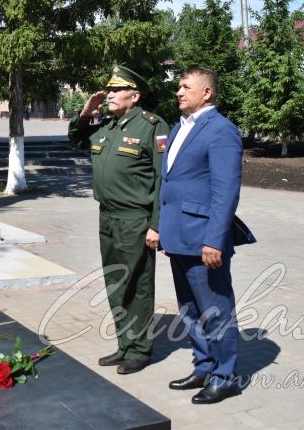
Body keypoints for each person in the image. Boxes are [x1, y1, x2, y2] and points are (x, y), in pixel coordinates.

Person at [68, 65, 169, 375]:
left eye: (116, 90)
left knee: (137, 284)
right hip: (108, 218)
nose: (109, 94)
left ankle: (140, 350)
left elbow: (163, 179)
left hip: (135, 220)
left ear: (134, 95)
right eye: (108, 90)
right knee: (115, 282)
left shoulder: (151, 126)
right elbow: (76, 139)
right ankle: (125, 344)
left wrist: (156, 225)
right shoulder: (106, 126)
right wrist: (85, 114)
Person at [159, 66, 244, 404]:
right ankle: (204, 365)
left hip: (203, 238)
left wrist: (214, 239)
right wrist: (165, 230)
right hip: (179, 235)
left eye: (185, 86)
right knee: (190, 310)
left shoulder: (221, 130)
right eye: (179, 86)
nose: (178, 92)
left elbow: (226, 191)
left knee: (215, 309)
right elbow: (170, 183)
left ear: (206, 92)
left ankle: (226, 376)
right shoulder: (179, 127)